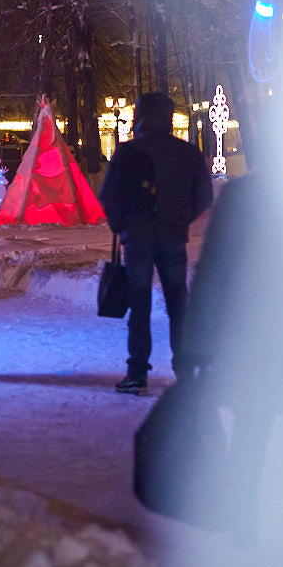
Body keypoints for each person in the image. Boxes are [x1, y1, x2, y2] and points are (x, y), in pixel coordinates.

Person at [182, 164, 283, 547]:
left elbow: (212, 274)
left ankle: (244, 538)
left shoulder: (241, 197)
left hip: (254, 343)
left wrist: (198, 347)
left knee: (248, 443)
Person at [98, 92, 213, 393]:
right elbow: (204, 196)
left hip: (137, 239)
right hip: (173, 237)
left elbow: (108, 195)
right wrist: (181, 219)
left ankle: (137, 373)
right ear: (169, 116)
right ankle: (185, 371)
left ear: (140, 117)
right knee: (178, 304)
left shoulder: (127, 152)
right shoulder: (187, 153)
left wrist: (122, 224)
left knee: (140, 305)